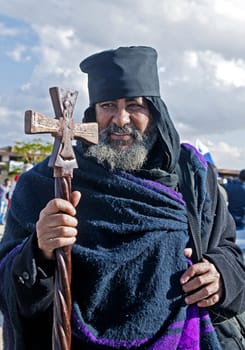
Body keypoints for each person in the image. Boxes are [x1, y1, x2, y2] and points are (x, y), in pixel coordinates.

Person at [0, 46, 244, 350]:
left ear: (154, 111)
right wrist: (39, 251)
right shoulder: (44, 185)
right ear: (93, 113)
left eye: (134, 105)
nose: (120, 119)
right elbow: (7, 282)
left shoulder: (193, 176)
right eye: (107, 106)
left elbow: (229, 252)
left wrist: (220, 277)